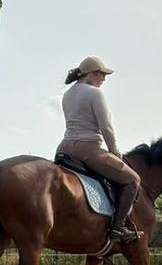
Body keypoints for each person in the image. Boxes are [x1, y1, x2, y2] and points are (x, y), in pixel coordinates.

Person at [55, 55, 141, 243]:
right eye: (102, 75)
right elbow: (106, 127)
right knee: (133, 180)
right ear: (92, 73)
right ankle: (118, 230)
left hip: (64, 148)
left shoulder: (67, 95)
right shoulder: (95, 93)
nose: (104, 79)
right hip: (88, 149)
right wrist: (114, 151)